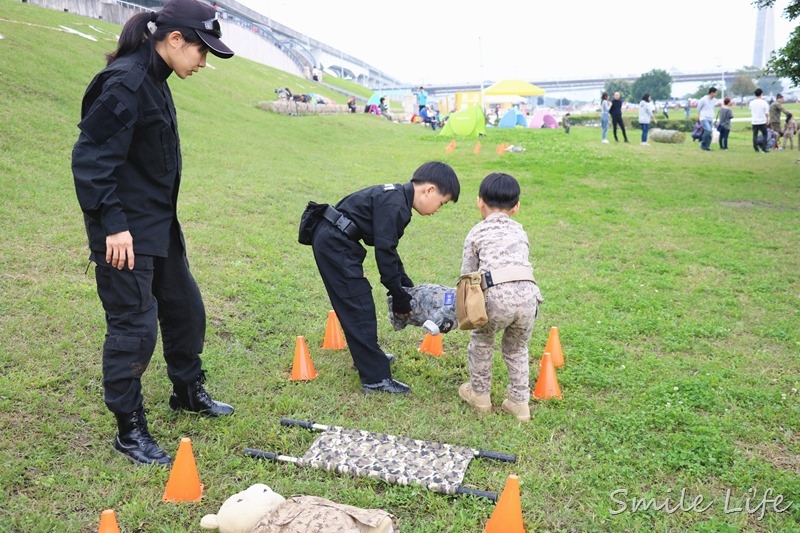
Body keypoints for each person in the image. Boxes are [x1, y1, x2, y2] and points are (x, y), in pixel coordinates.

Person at [72, 0, 235, 466]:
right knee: (133, 329)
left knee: (186, 310)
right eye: (201, 50)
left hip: (157, 223)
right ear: (174, 39)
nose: (203, 62)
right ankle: (129, 431)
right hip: (124, 232)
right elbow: (89, 160)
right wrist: (113, 227)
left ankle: (187, 392)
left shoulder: (156, 77)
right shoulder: (126, 82)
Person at [310, 162, 460, 394]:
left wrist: (404, 284)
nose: (438, 209)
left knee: (358, 304)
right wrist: (398, 295)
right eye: (441, 203)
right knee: (358, 304)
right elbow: (384, 252)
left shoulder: (397, 199)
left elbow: (389, 248)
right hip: (334, 243)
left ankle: (369, 360)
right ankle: (375, 379)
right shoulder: (396, 205)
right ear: (429, 190)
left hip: (336, 241)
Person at [458, 173, 543, 423]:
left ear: (479, 202)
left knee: (482, 341)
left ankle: (480, 395)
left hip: (496, 297)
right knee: (517, 348)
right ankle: (519, 403)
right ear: (516, 207)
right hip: (529, 297)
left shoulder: (477, 232)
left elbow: (467, 275)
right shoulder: (520, 231)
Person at [696, 87, 718, 151]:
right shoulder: (703, 99)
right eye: (715, 93)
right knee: (708, 130)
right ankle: (703, 144)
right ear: (711, 93)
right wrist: (700, 116)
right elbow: (698, 108)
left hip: (710, 118)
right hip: (704, 117)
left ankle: (707, 146)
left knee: (709, 133)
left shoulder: (714, 100)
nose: (716, 94)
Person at [749, 88, 770, 153]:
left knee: (755, 134)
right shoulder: (764, 102)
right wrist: (767, 119)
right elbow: (766, 112)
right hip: (762, 121)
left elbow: (750, 110)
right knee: (765, 134)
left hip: (754, 121)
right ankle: (764, 148)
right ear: (761, 94)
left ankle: (755, 147)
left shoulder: (751, 102)